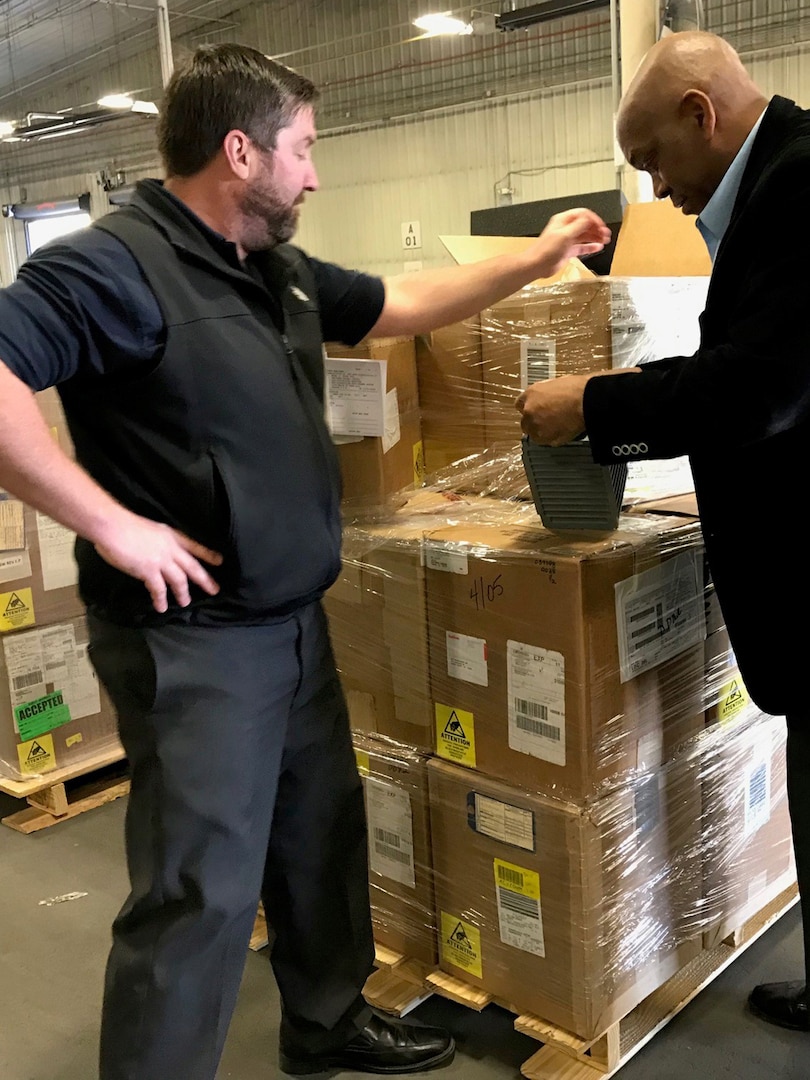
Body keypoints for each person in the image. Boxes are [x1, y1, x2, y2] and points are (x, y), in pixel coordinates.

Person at [0, 43, 610, 1080]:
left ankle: (325, 1022)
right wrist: (108, 523)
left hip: (290, 622)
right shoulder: (115, 264)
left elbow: (398, 303)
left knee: (318, 841)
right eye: (305, 150)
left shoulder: (269, 269)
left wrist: (535, 253)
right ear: (240, 152)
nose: (316, 174)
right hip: (192, 641)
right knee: (199, 892)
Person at [516, 29, 810, 1032]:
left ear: (702, 115)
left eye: (654, 160)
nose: (653, 188)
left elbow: (759, 391)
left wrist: (597, 406)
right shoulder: (771, 183)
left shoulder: (797, 187)